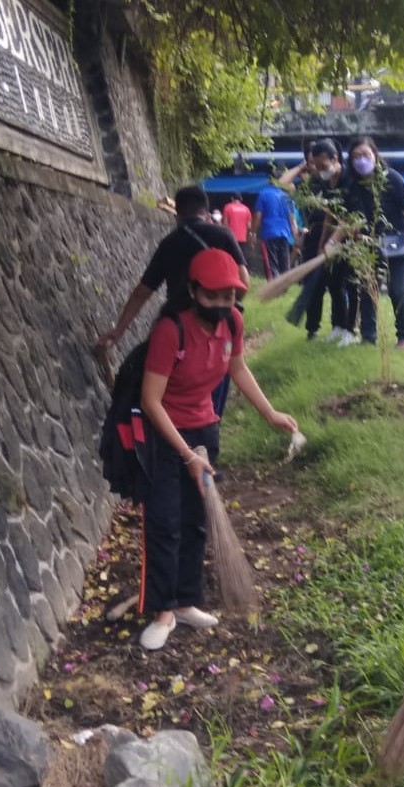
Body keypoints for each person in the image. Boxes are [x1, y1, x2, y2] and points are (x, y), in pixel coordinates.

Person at [134, 248, 298, 651]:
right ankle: (163, 612)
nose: (223, 305)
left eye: (229, 297)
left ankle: (187, 602)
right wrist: (188, 455)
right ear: (193, 292)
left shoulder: (233, 324)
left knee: (196, 520)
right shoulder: (170, 331)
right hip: (164, 433)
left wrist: (270, 413)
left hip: (205, 429)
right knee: (165, 522)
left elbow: (237, 368)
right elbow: (151, 401)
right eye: (213, 296)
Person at [94, 185, 249, 353]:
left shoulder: (168, 244)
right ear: (206, 213)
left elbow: (142, 292)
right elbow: (244, 281)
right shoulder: (223, 235)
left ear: (177, 215)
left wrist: (118, 331)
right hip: (217, 325)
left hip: (179, 327)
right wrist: (223, 303)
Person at [339, 137, 404, 349]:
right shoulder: (352, 187)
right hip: (368, 246)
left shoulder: (392, 179)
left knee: (397, 290)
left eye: (366, 155)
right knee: (368, 289)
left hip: (397, 244)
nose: (361, 160)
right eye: (356, 156)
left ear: (375, 156)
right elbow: (347, 220)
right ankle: (368, 337)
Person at [278, 139, 352, 342]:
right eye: (312, 163)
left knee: (337, 284)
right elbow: (282, 184)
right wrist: (301, 167)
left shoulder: (333, 180)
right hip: (314, 237)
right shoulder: (308, 184)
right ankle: (312, 328)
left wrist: (328, 241)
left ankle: (341, 325)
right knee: (314, 285)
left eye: (319, 164)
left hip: (336, 234)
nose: (316, 168)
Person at [251, 167, 298, 279]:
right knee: (284, 262)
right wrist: (296, 239)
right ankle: (284, 285)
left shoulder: (263, 194)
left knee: (271, 264)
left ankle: (274, 286)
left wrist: (252, 233)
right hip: (285, 233)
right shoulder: (287, 197)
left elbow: (257, 216)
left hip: (269, 232)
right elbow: (292, 220)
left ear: (270, 180)